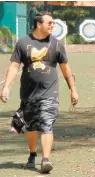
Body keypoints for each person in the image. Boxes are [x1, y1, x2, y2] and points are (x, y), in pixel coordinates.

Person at [0, 11, 79, 174]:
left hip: (50, 94)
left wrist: (73, 89)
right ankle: (32, 155)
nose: (53, 25)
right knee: (30, 127)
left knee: (46, 123)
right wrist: (6, 86)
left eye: (53, 23)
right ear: (39, 24)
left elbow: (65, 68)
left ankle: (46, 160)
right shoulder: (23, 43)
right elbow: (14, 66)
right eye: (49, 23)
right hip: (28, 94)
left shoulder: (56, 44)